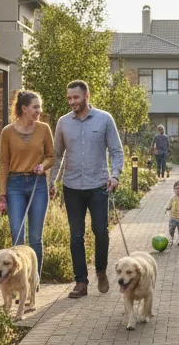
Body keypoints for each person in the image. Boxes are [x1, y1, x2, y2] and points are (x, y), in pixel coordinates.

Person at [50, 80, 124, 298]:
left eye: (76, 97)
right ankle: (81, 282)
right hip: (71, 186)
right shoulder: (63, 123)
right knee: (76, 235)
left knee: (100, 230)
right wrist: (51, 181)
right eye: (69, 98)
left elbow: (117, 151)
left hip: (99, 185)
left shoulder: (104, 119)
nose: (72, 101)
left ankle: (101, 270)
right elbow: (56, 155)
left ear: (86, 96)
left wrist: (115, 176)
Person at [0, 90, 55, 279]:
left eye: (39, 106)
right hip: (16, 185)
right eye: (35, 107)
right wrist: (2, 194)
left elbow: (51, 157)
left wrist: (42, 166)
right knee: (18, 236)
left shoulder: (44, 129)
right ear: (24, 108)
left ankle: (34, 280)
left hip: (38, 184)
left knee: (36, 238)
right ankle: (17, 280)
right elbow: (3, 164)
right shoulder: (7, 132)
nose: (39, 110)